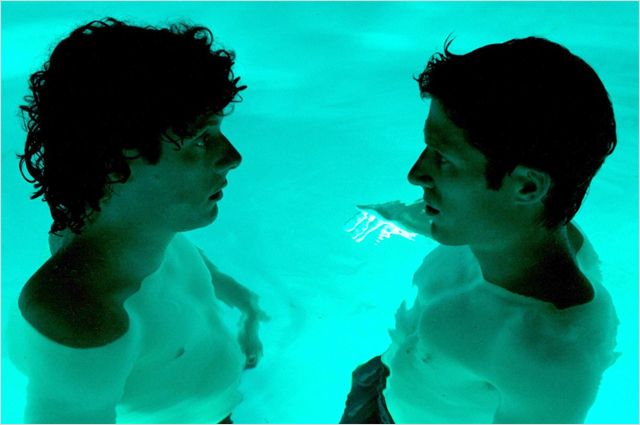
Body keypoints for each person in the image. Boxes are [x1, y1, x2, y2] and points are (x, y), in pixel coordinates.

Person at [342, 36, 620, 424]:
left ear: (526, 186)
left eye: (444, 159)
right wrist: (399, 216)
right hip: (386, 377)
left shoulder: (549, 355)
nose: (415, 174)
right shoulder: (496, 228)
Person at [7, 18, 267, 424]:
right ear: (114, 163)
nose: (232, 158)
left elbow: (188, 261)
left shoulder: (146, 228)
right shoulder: (81, 320)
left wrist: (242, 300)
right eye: (201, 139)